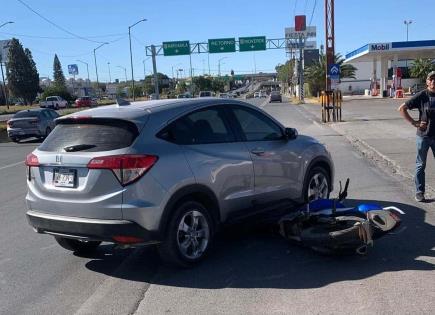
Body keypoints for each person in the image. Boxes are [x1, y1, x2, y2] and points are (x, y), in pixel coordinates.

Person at [398, 71, 435, 202]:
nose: (433, 81)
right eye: (431, 79)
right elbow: (402, 108)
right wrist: (414, 123)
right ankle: (420, 192)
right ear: (427, 82)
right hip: (423, 137)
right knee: (420, 165)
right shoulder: (422, 95)